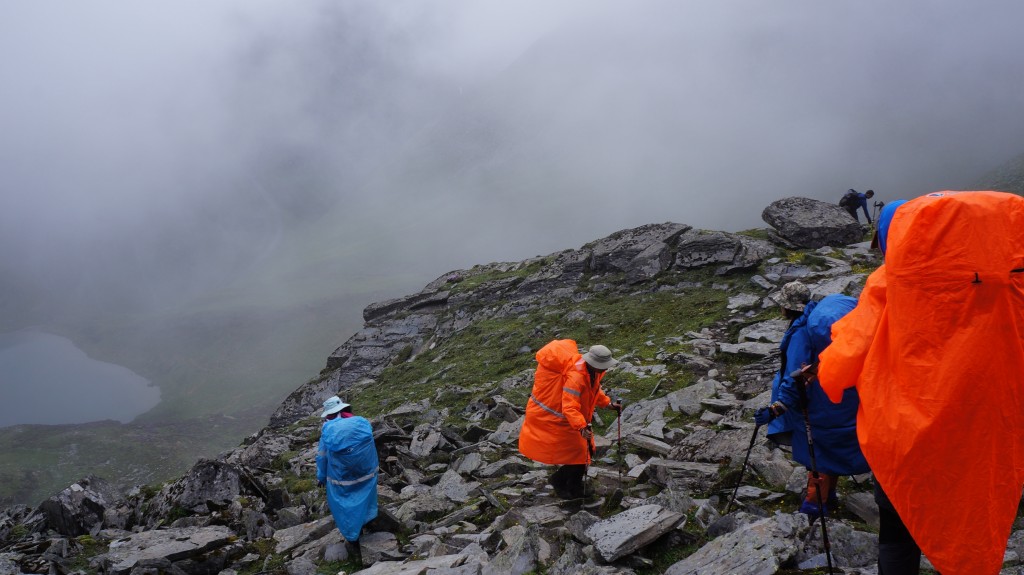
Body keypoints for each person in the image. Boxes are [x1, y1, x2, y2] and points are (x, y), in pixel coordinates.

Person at [817, 191, 1024, 575]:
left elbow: (839, 368)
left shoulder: (889, 285)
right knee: (976, 518)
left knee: (897, 533)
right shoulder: (1011, 286)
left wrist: (823, 374)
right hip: (986, 431)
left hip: (902, 436)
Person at [755, 282, 870, 516]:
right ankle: (829, 496)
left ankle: (813, 506)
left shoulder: (801, 333)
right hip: (836, 398)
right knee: (827, 448)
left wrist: (778, 407)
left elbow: (795, 376)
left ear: (787, 308)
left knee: (816, 453)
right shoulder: (815, 324)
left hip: (815, 403)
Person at [518, 341, 622, 500]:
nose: (606, 368)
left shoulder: (592, 371)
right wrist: (581, 427)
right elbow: (569, 406)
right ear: (594, 363)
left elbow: (595, 390)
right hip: (560, 420)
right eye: (604, 365)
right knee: (581, 453)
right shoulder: (576, 377)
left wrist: (607, 404)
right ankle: (560, 482)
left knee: (586, 451)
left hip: (572, 420)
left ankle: (574, 485)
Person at [316, 395, 379, 555]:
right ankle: (369, 522)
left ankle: (353, 538)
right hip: (367, 472)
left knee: (343, 503)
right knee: (366, 497)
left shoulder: (328, 430)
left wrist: (321, 477)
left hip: (342, 478)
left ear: (329, 414)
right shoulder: (361, 422)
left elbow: (322, 456)